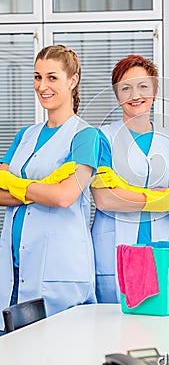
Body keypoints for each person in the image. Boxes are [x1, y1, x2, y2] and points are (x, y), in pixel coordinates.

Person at [0, 44, 100, 334]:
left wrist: (16, 185)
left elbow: (66, 196)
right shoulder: (25, 135)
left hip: (60, 270)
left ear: (73, 80)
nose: (42, 86)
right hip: (14, 267)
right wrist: (44, 189)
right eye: (37, 77)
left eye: (52, 77)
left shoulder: (86, 136)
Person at [91, 54, 169, 303]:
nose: (135, 95)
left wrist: (126, 191)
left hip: (163, 248)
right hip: (116, 246)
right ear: (117, 96)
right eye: (126, 88)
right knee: (113, 330)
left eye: (143, 86)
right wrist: (162, 196)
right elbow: (105, 199)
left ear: (155, 91)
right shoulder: (101, 138)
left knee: (164, 323)